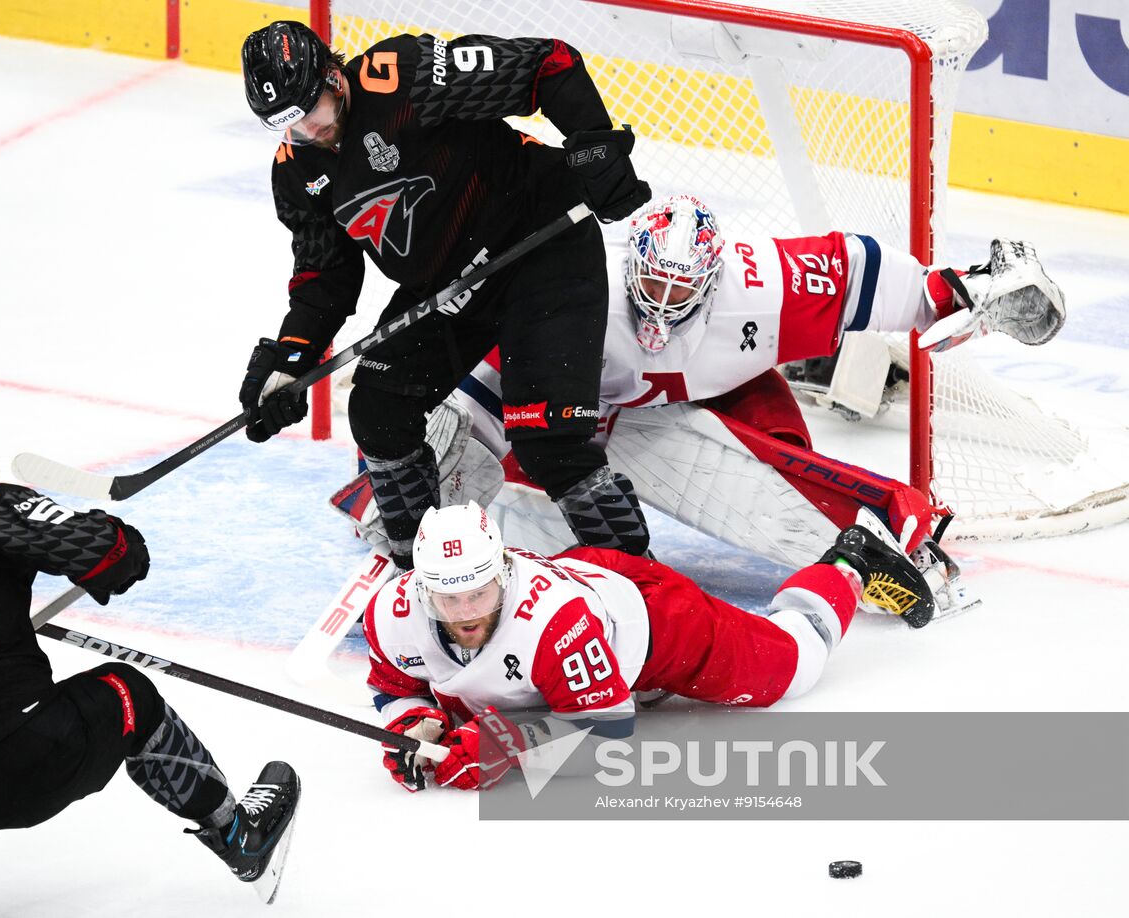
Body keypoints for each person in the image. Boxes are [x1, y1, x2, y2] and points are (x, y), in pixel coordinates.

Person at [334, 194, 1066, 618]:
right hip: (583, 420)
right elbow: (492, 383)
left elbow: (860, 274)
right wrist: (427, 489)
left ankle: (883, 539)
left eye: (681, 293)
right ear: (630, 265)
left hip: (725, 395)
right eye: (651, 287)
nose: (661, 307)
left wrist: (966, 288)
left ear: (714, 283)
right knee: (532, 536)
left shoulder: (763, 282)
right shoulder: (578, 287)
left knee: (754, 498)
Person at [0, 406, 300, 917]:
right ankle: (237, 835)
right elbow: (110, 553)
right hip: (29, 755)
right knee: (128, 691)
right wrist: (124, 553)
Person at [236, 20, 655, 571]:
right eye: (286, 126)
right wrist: (292, 357)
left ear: (333, 76)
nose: (308, 132)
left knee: (548, 438)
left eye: (309, 111)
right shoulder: (297, 172)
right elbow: (325, 275)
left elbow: (545, 65)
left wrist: (594, 146)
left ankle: (638, 576)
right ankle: (425, 571)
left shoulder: (400, 78)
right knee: (378, 409)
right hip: (449, 286)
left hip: (539, 245)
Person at [365, 500, 933, 792]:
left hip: (651, 619)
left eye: (480, 592)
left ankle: (852, 560)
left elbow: (609, 734)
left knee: (790, 665)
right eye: (447, 596)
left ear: (504, 570)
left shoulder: (555, 623)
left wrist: (505, 746)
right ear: (420, 586)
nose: (465, 613)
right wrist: (415, 725)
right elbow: (395, 685)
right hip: (583, 593)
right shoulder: (393, 614)